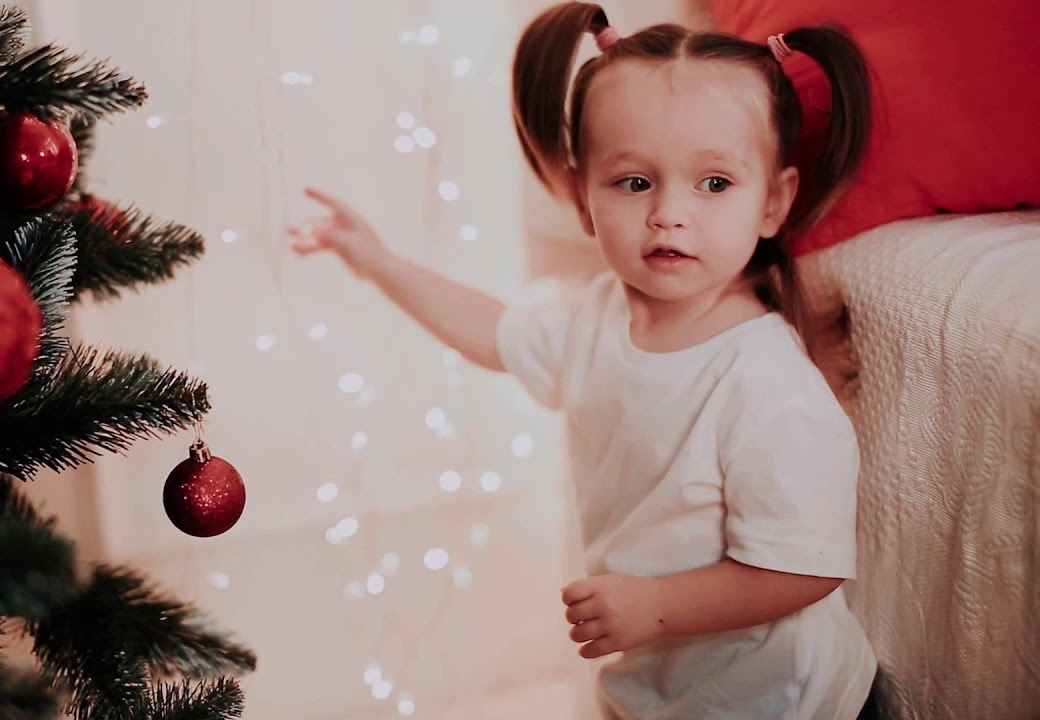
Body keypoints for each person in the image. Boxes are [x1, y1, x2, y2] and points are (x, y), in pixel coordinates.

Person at [289, 2, 878, 717]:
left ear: (772, 203)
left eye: (714, 183)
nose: (669, 212)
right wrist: (377, 261)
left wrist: (656, 606)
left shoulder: (764, 382)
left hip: (774, 695)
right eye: (634, 182)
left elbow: (801, 567)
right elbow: (494, 330)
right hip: (661, 676)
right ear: (581, 197)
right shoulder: (597, 317)